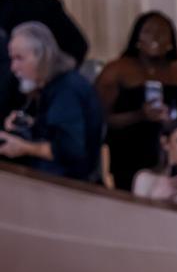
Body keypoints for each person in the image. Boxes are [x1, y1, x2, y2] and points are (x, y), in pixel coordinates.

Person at [94, 11, 177, 192]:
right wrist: (140, 115)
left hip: (172, 155)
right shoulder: (117, 69)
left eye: (162, 32)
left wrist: (174, 121)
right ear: (137, 37)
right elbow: (99, 117)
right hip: (128, 153)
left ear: (171, 40)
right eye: (148, 31)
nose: (155, 37)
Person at [0, 21, 102, 181]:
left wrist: (24, 148)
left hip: (69, 184)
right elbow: (57, 131)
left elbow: (71, 150)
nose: (13, 67)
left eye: (19, 58)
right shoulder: (53, 86)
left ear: (42, 57)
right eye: (12, 59)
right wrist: (28, 124)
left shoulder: (67, 90)